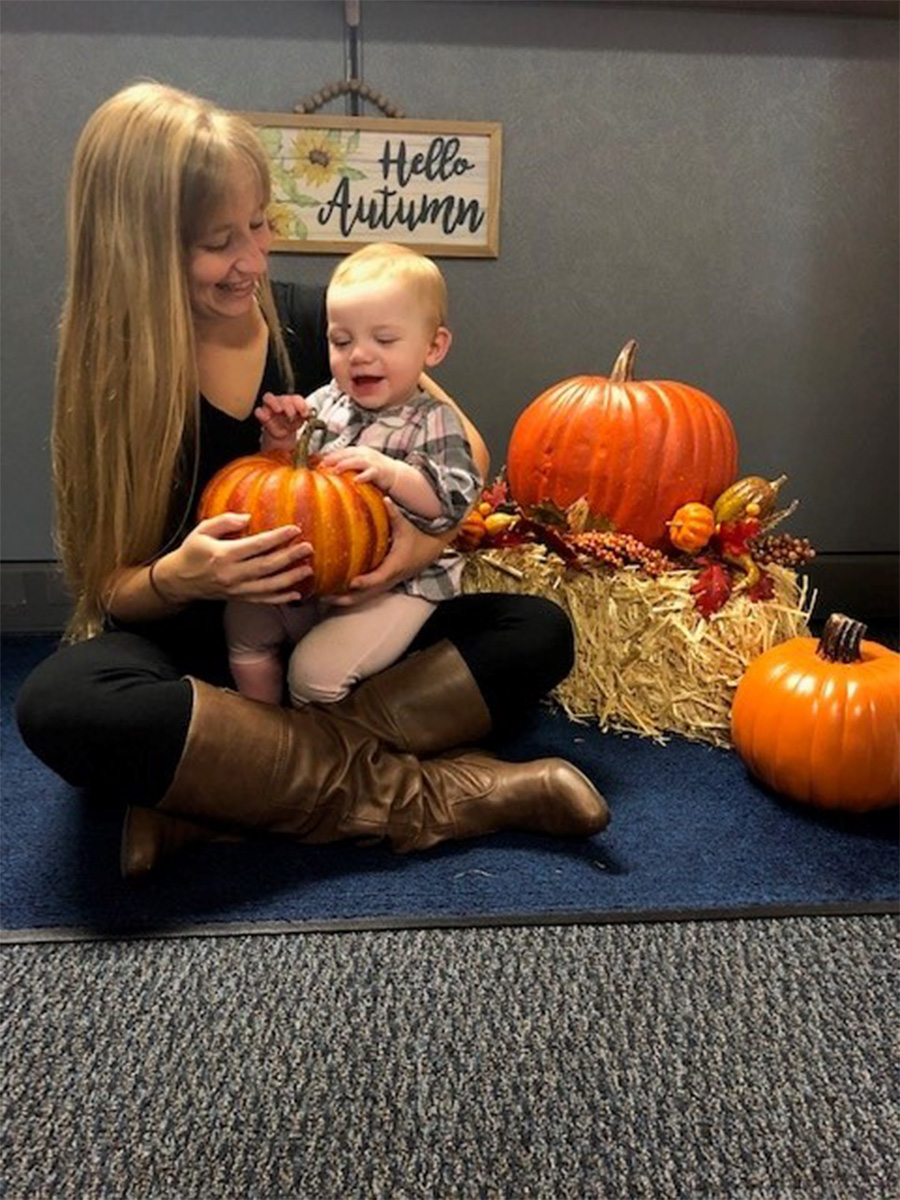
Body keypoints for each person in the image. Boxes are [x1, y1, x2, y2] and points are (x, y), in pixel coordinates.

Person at [14, 81, 609, 879]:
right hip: (211, 662)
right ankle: (442, 799)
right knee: (62, 707)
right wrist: (181, 576)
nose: (254, 261)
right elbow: (112, 591)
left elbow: (463, 449)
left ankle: (219, 797)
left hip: (343, 629)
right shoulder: (110, 380)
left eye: (260, 225)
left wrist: (407, 553)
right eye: (220, 241)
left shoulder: (318, 323)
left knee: (535, 633)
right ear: (139, 246)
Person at [226, 242, 482, 708]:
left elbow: (454, 501)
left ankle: (318, 751)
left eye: (384, 340)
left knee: (314, 674)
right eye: (341, 342)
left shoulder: (434, 419)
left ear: (434, 346)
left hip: (399, 587)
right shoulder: (326, 402)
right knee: (243, 624)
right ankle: (262, 728)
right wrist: (282, 442)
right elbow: (290, 490)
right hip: (325, 573)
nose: (359, 356)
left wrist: (392, 474)